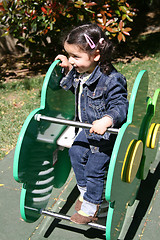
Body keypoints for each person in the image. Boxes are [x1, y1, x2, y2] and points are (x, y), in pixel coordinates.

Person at [55, 23, 128, 224]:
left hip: (105, 136)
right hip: (86, 130)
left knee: (95, 169)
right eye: (69, 55)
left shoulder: (112, 80)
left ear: (96, 55)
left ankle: (92, 206)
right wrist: (69, 67)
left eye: (75, 57)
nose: (72, 59)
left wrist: (107, 120)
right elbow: (75, 89)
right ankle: (87, 194)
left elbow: (121, 105)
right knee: (75, 153)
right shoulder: (82, 72)